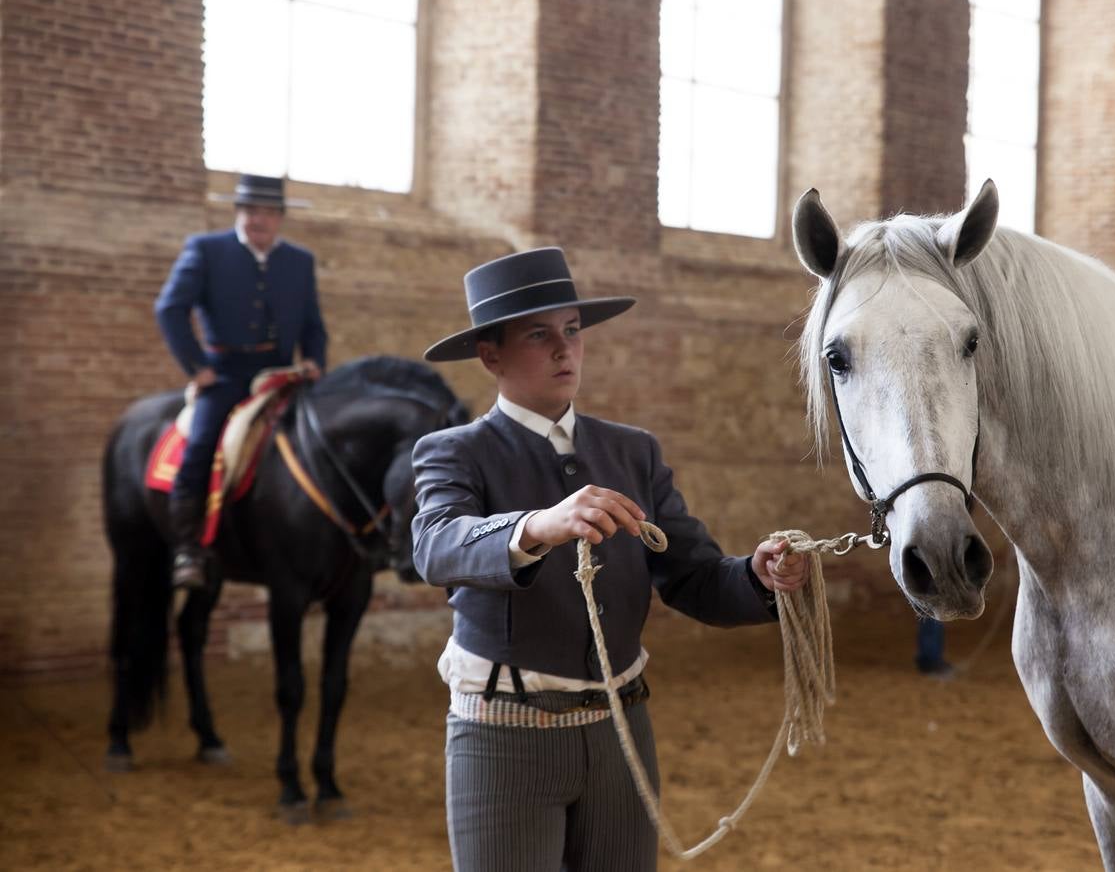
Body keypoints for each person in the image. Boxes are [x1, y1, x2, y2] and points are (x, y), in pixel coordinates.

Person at [411, 247, 810, 871]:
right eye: (539, 335)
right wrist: (539, 525)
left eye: (572, 332)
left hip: (624, 732)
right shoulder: (454, 452)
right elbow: (435, 545)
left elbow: (696, 578)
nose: (564, 350)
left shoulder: (633, 452)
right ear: (491, 355)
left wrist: (757, 578)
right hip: (503, 736)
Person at [155, 173, 327, 589]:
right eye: (250, 210)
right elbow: (169, 309)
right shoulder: (206, 250)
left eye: (267, 212)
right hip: (226, 374)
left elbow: (312, 323)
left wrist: (316, 360)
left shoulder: (299, 260)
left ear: (281, 217)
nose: (258, 219)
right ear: (238, 212)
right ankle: (188, 548)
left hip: (283, 374)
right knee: (201, 447)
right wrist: (196, 367)